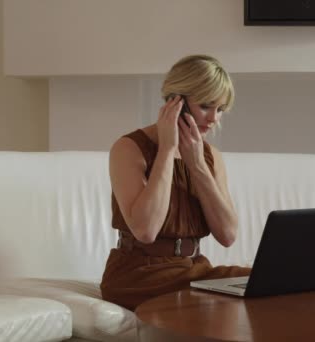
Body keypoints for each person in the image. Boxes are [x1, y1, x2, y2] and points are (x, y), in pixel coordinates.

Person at [100, 55, 250, 310]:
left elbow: (227, 234)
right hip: (139, 276)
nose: (214, 118)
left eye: (221, 109)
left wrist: (198, 165)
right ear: (175, 102)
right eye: (206, 106)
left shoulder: (210, 156)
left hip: (192, 271)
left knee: (270, 282)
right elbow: (146, 230)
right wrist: (167, 150)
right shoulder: (129, 148)